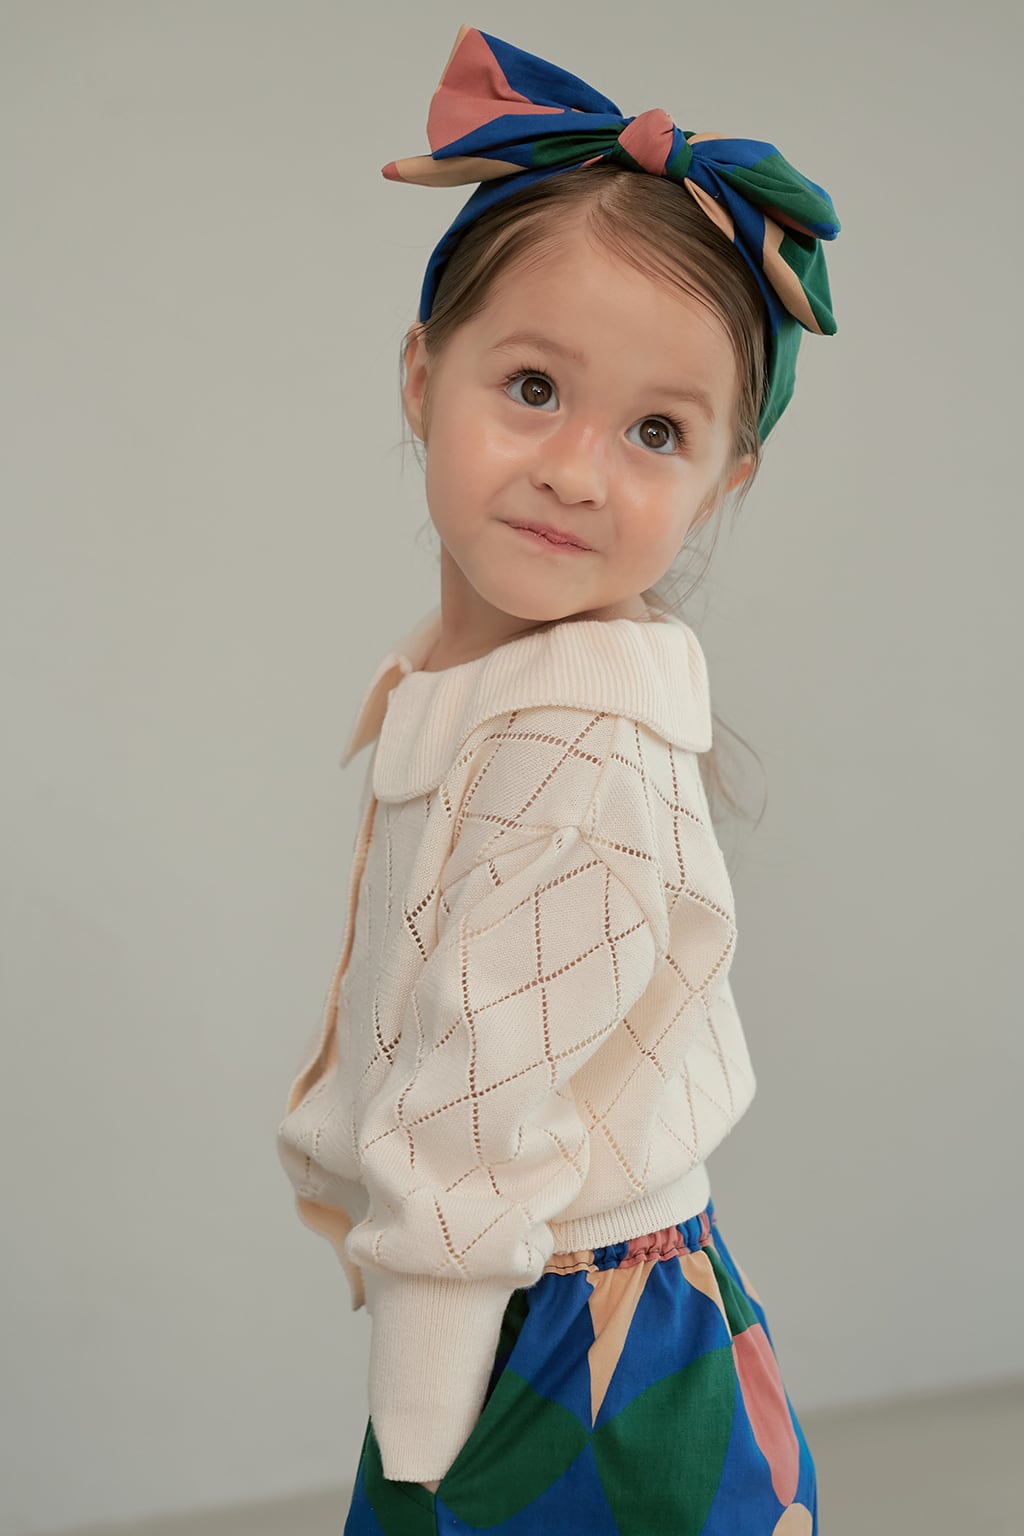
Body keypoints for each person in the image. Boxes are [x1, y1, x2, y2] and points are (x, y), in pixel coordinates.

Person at [276, 24, 840, 1535]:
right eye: (532, 385)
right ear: (423, 376)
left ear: (724, 479)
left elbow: (474, 1097)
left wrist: (421, 1389)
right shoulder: (469, 694)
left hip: (562, 1320)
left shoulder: (573, 751)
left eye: (656, 430)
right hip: (537, 1286)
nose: (579, 469)